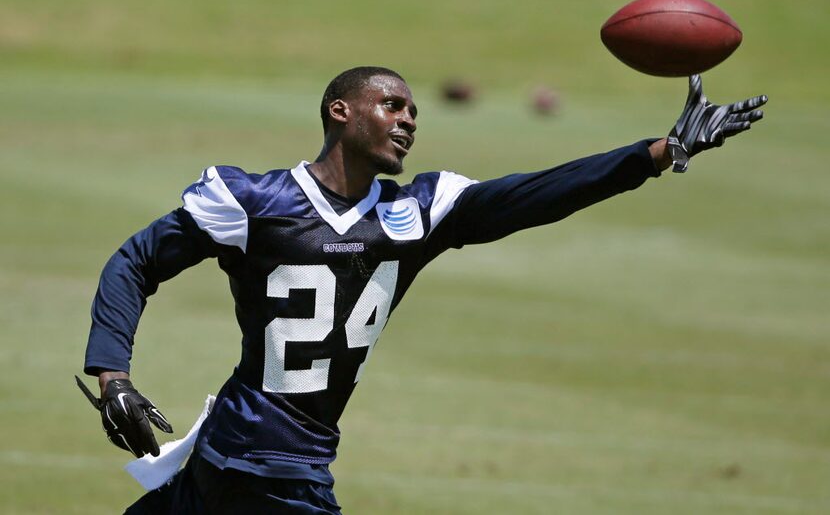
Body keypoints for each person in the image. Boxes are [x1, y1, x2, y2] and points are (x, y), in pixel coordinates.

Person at [80, 66, 766, 514]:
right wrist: (114, 376)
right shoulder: (256, 199)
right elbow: (138, 258)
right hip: (251, 468)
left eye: (413, 110)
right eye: (392, 104)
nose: (409, 118)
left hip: (262, 468)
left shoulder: (417, 213)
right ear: (340, 111)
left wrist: (658, 152)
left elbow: (537, 194)